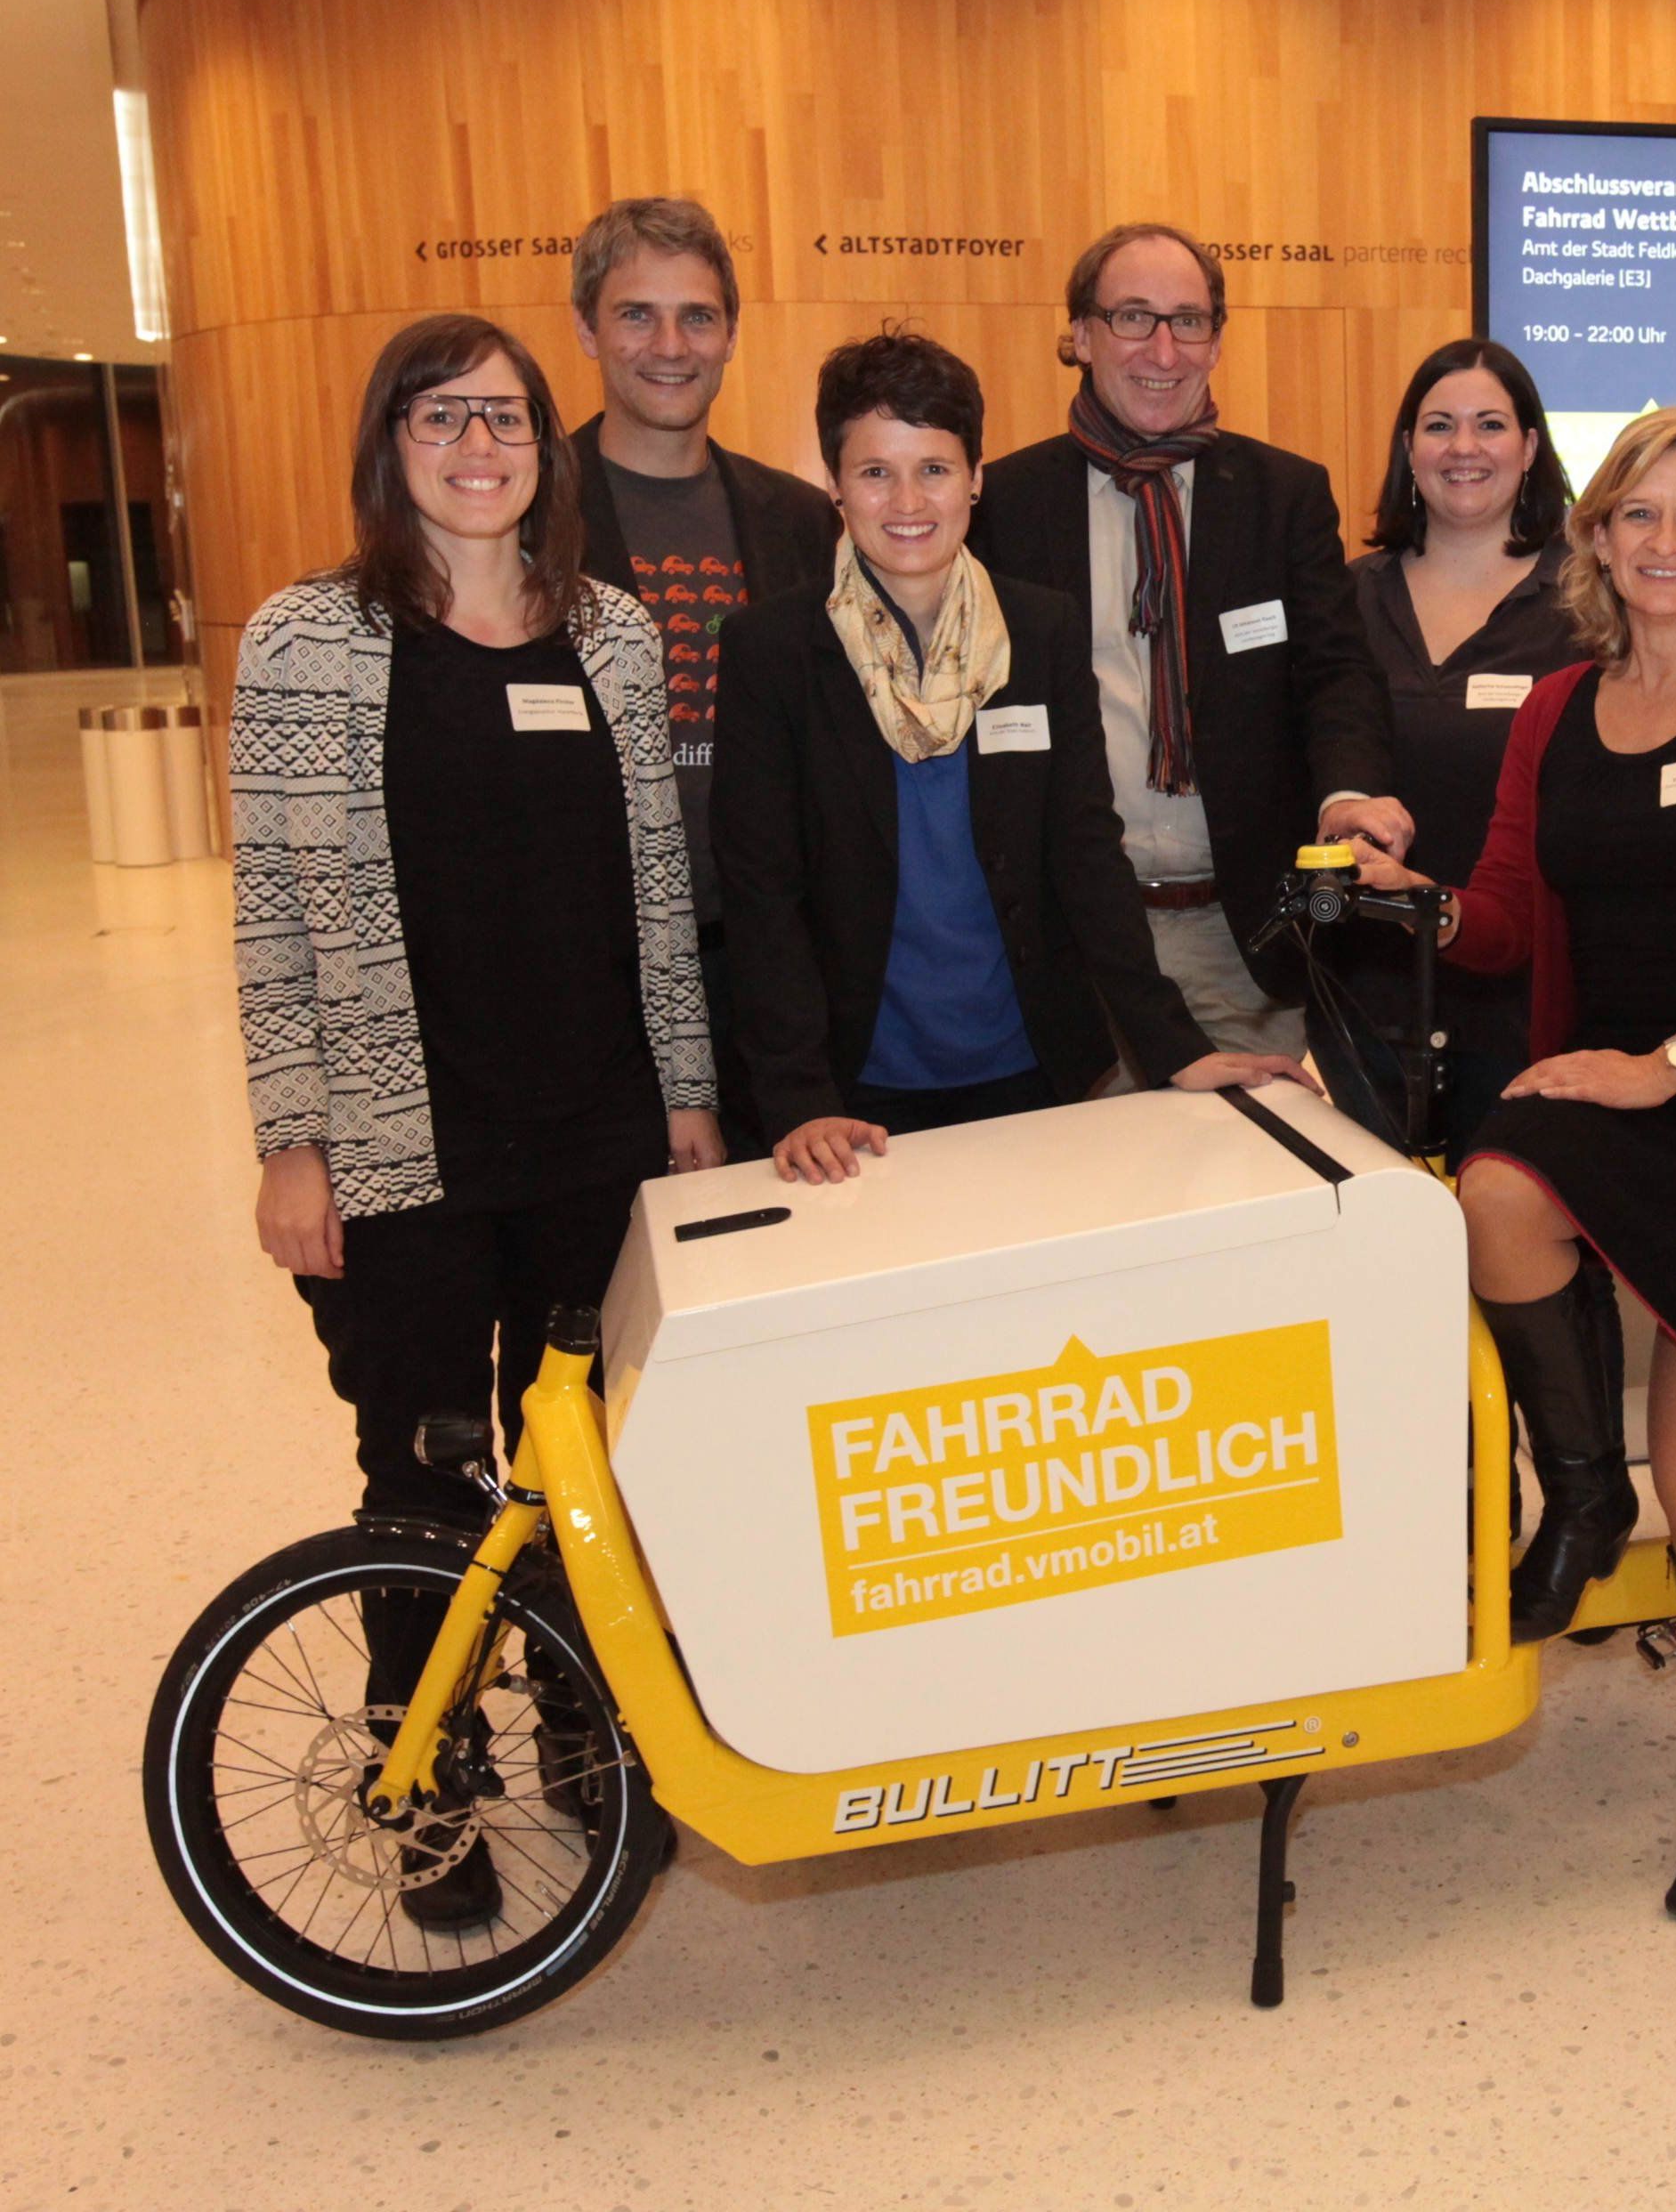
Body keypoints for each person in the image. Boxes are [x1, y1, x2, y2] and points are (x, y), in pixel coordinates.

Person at [232, 313, 719, 1929]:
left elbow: (657, 888)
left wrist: (690, 1098)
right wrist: (291, 1136)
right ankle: (426, 1772)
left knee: (588, 1466)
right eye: (440, 419)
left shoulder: (612, 634)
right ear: (390, 444)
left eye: (503, 417)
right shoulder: (306, 638)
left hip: (594, 1134)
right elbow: (273, 922)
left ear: (543, 444)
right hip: (401, 1142)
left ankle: (583, 1728)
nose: (476, 446)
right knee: (420, 1475)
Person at [1359, 409, 1676, 1922]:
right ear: (1596, 538)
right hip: (1610, 1077)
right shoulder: (1560, 708)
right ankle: (1583, 1497)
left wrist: (1675, 1067)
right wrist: (1428, 910)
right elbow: (1513, 913)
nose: (1664, 544)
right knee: (1493, 1196)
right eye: (1636, 516)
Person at [714, 329, 1313, 1179]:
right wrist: (799, 1097)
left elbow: (1083, 848)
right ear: (835, 488)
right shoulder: (772, 649)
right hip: (853, 1092)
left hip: (1032, 1067)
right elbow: (763, 893)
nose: (907, 499)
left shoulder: (1039, 629)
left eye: (934, 468)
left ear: (975, 479)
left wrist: (1173, 1046)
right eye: (875, 471)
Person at [968, 222, 1405, 1063]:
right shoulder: (1009, 506)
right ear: (1083, 336)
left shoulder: (1283, 495)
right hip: (1074, 943)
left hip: (1239, 941)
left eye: (1189, 321)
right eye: (1134, 317)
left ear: (1216, 342)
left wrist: (1347, 793)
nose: (1162, 350)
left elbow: (1335, 675)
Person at [570, 197, 841, 1158]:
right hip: (594, 965)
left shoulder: (801, 520)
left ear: (731, 334)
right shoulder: (531, 515)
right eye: (636, 313)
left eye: (698, 315)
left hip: (763, 956)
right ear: (585, 329)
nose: (669, 344)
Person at [1320, 337, 1580, 1155]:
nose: (1463, 448)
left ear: (1531, 446)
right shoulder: (1348, 597)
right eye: (1439, 425)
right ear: (1407, 448)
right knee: (1388, 1238)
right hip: (1365, 987)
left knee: (1515, 1235)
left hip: (1530, 985)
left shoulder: (1589, 600)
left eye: (1490, 425)